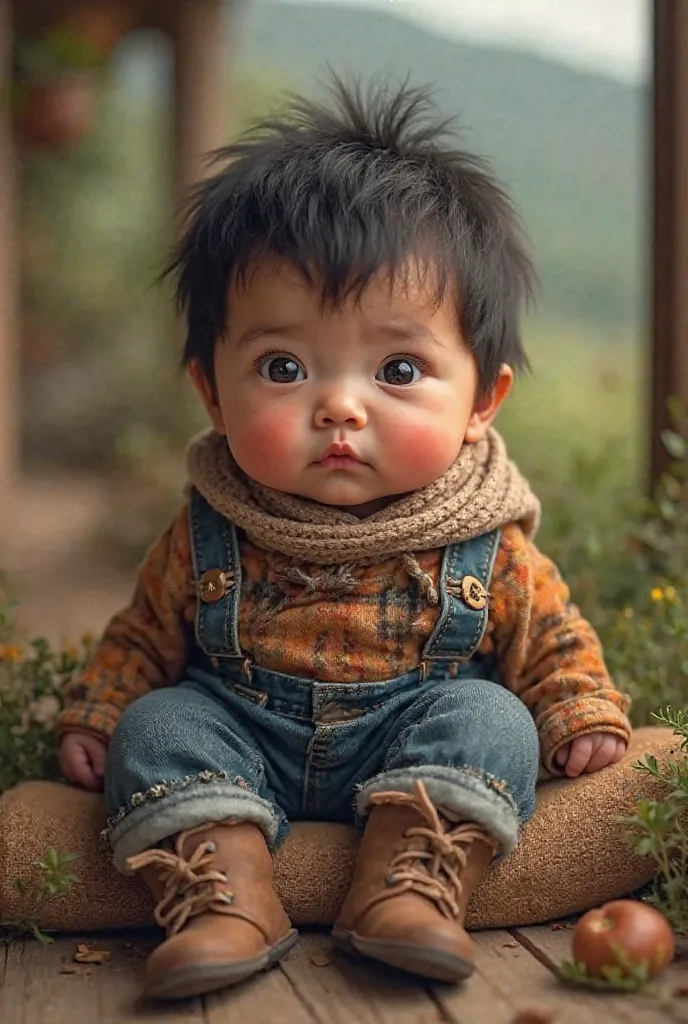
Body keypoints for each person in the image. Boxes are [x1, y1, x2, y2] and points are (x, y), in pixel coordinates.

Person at [56, 77, 631, 1001]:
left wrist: (582, 711)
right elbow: (142, 634)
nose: (339, 405)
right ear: (212, 389)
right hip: (240, 732)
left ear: (483, 400)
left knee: (493, 720)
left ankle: (409, 887)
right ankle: (227, 897)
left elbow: (551, 639)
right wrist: (96, 710)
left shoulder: (484, 538)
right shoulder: (210, 525)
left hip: (409, 736)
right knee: (157, 724)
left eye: (398, 368)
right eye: (282, 367)